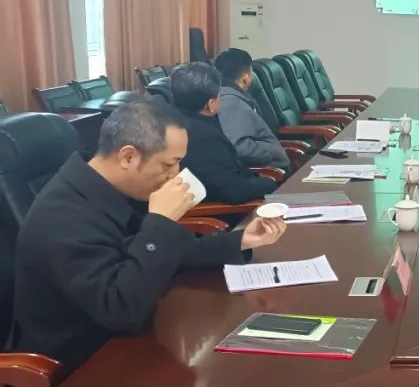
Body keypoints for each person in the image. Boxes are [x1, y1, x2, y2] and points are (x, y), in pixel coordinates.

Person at [14, 100, 287, 371]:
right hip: (84, 361)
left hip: (136, 333)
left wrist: (240, 240)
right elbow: (120, 310)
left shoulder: (112, 187)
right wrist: (161, 222)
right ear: (128, 157)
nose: (175, 175)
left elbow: (168, 250)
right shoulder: (62, 217)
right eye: (169, 165)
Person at [171, 62, 279, 204]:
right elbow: (234, 192)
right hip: (217, 211)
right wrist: (270, 183)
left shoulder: (172, 122)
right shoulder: (205, 137)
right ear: (210, 104)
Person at [214, 48, 289, 169]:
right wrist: (272, 149)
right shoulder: (230, 103)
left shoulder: (226, 95)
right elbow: (240, 148)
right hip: (267, 171)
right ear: (246, 78)